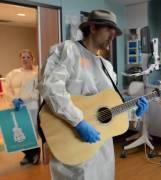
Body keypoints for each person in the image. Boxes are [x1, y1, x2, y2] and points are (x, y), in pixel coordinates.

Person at [38, 9, 149, 180]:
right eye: (109, 30)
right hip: (72, 137)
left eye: (115, 33)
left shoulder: (106, 66)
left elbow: (110, 106)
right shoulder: (68, 50)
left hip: (102, 144)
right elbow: (51, 88)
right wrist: (78, 122)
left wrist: (133, 111)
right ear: (93, 27)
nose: (113, 36)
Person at [5, 49, 40, 165]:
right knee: (19, 132)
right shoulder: (13, 73)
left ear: (32, 58)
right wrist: (13, 99)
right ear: (20, 59)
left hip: (31, 107)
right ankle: (28, 155)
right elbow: (7, 88)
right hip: (16, 107)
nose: (25, 59)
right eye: (23, 57)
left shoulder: (37, 73)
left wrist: (24, 99)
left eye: (28, 57)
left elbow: (39, 90)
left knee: (31, 131)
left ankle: (35, 154)